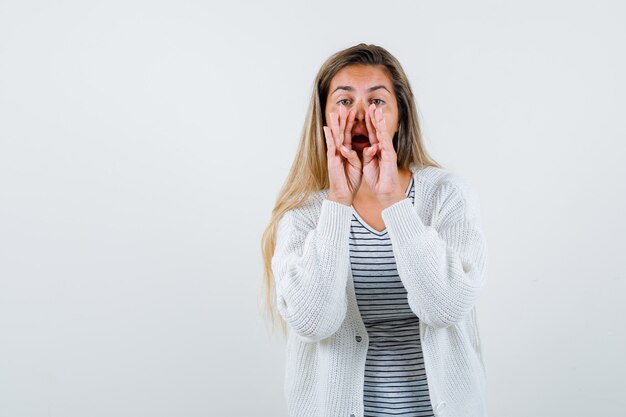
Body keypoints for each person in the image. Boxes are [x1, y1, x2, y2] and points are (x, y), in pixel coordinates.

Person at [260, 43, 489, 417]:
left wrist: (394, 201)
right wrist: (336, 201)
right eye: (345, 101)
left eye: (378, 101)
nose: (361, 116)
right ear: (324, 116)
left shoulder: (448, 196)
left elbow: (446, 307)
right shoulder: (303, 215)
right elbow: (312, 322)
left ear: (400, 115)